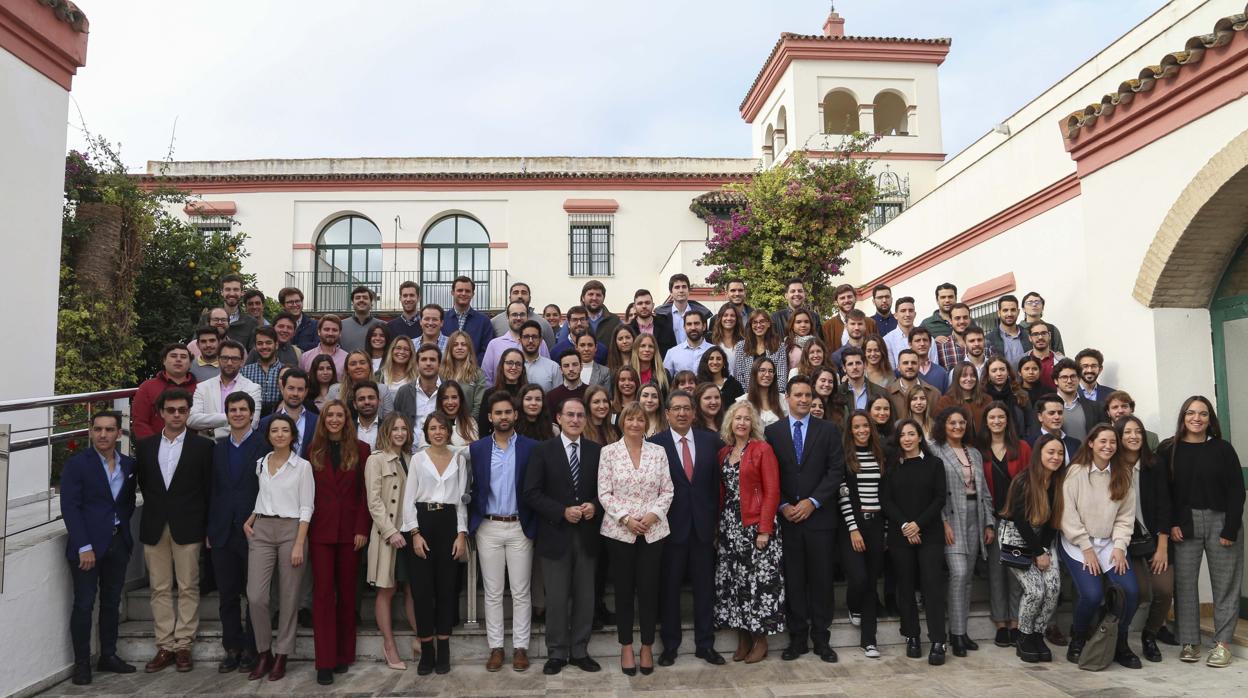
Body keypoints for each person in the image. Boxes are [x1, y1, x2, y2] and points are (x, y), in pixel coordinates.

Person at [765, 375, 845, 663]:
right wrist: (784, 504)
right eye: (797, 394)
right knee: (794, 580)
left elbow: (836, 471)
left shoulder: (829, 430)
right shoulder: (772, 433)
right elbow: (770, 475)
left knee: (822, 580)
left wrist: (812, 502)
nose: (802, 399)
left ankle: (822, 639)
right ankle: (797, 638)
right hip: (788, 519)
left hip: (819, 518)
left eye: (807, 395)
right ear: (787, 397)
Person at [134, 388, 214, 673]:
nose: (177, 414)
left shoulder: (204, 447)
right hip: (155, 525)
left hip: (189, 525)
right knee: (159, 587)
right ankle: (164, 645)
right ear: (161, 413)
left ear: (188, 412)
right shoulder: (144, 447)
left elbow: (209, 490)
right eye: (171, 410)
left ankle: (183, 645)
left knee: (189, 586)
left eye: (182, 410)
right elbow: (145, 485)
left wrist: (207, 527)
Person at [523, 397, 604, 675]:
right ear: (558, 417)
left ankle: (580, 651)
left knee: (585, 596)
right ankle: (556, 653)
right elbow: (531, 493)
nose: (575, 420)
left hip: (587, 535)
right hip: (555, 534)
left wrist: (594, 505)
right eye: (569, 415)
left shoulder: (597, 451)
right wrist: (561, 511)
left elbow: (607, 490)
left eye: (580, 415)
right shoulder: (543, 451)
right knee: (556, 598)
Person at [1163, 396, 1245, 668]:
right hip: (1184, 525)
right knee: (1184, 584)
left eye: (1203, 414)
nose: (1196, 418)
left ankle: (1222, 644)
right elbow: (1166, 493)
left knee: (1225, 585)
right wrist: (1173, 522)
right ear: (1183, 417)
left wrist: (1231, 528)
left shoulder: (1223, 448)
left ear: (1211, 419)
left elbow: (1236, 490)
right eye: (1190, 413)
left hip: (1221, 522)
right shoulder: (1170, 449)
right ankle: (1190, 641)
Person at [61, 411, 138, 686]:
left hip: (118, 543)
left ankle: (108, 655)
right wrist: (84, 545)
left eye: (109, 429)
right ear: (91, 432)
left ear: (119, 433)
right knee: (83, 604)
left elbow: (125, 504)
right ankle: (82, 664)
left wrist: (123, 535)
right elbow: (70, 507)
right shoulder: (77, 465)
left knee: (111, 602)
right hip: (87, 547)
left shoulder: (129, 465)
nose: (103, 434)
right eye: (98, 429)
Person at [600, 401, 675, 675]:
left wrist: (653, 515)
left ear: (646, 423)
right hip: (620, 532)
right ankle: (626, 646)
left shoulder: (659, 452)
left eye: (640, 420)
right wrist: (627, 519)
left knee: (648, 590)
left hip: (653, 532)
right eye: (630, 419)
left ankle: (646, 646)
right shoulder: (608, 453)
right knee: (623, 591)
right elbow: (604, 493)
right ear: (622, 422)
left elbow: (667, 490)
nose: (635, 424)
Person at [648, 390, 723, 666]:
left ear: (694, 413)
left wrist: (716, 522)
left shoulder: (711, 441)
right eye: (675, 409)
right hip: (669, 528)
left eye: (686, 409)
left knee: (705, 589)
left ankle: (706, 645)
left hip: (704, 528)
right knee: (669, 590)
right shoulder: (655, 445)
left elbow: (718, 485)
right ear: (666, 414)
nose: (681, 413)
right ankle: (670, 646)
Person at [1059, 424, 1141, 668]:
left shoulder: (1123, 474)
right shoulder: (1076, 472)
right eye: (1102, 441)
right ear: (1091, 443)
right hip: (1078, 543)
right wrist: (1085, 547)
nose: (1108, 446)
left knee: (1131, 593)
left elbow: (1126, 516)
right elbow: (1067, 514)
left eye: (1113, 442)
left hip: (1109, 543)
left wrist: (1119, 546)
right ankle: (1079, 637)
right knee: (1092, 594)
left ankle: (1119, 642)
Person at [469, 392, 540, 672]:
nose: (503, 417)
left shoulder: (530, 448)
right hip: (488, 526)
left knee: (521, 591)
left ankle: (520, 648)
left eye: (508, 412)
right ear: (489, 417)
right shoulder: (477, 448)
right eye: (498, 413)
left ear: (515, 415)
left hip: (520, 525)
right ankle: (496, 648)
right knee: (493, 592)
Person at [243, 414, 314, 682]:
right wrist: (251, 517)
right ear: (269, 435)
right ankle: (264, 653)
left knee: (288, 597)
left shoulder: (302, 467)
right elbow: (265, 495)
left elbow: (307, 506)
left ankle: (282, 654)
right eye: (275, 430)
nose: (280, 434)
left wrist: (298, 543)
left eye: (285, 430)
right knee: (256, 596)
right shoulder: (261, 463)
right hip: (262, 530)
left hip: (291, 530)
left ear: (293, 436)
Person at [306, 400, 371, 685]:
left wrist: (361, 528)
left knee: (347, 596)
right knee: (322, 596)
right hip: (320, 533)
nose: (334, 419)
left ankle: (344, 655)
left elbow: (365, 494)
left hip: (349, 533)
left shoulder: (361, 450)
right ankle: (325, 661)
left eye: (339, 415)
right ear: (323, 420)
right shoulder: (312, 451)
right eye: (329, 415)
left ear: (347, 419)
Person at [400, 411, 469, 675]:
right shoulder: (418, 459)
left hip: (449, 523)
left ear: (448, 431)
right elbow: (408, 500)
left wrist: (461, 534)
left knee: (446, 589)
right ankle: (426, 651)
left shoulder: (459, 460)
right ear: (426, 433)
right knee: (422, 590)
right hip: (423, 523)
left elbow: (462, 500)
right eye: (432, 428)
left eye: (442, 427)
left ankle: (444, 648)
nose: (438, 432)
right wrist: (415, 533)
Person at [714, 401, 783, 664]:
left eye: (746, 419)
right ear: (730, 423)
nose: (741, 422)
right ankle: (743, 637)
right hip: (730, 527)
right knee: (735, 585)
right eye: (737, 418)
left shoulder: (762, 450)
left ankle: (761, 639)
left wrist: (764, 530)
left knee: (759, 586)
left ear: (752, 423)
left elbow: (772, 491)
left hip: (756, 527)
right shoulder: (724, 453)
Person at [881, 419, 949, 664]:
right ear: (898, 439)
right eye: (903, 435)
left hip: (929, 533)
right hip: (901, 535)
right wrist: (905, 526)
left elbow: (939, 498)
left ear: (920, 437)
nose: (907, 438)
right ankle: (911, 636)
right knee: (906, 587)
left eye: (912, 434)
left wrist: (918, 525)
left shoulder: (934, 464)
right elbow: (887, 501)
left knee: (932, 586)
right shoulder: (892, 467)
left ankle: (939, 640)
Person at [207, 393, 265, 673]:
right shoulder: (216, 448)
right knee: (227, 594)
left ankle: (252, 648)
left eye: (243, 409)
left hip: (253, 531)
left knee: (253, 594)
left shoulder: (264, 446)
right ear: (227, 414)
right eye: (233, 409)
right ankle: (232, 647)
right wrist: (209, 528)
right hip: (221, 531)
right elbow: (212, 491)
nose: (238, 414)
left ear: (252, 414)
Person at [931, 405, 995, 658]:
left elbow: (985, 492)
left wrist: (989, 522)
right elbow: (932, 490)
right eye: (952, 423)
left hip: (974, 517)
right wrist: (942, 521)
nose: (958, 427)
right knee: (957, 574)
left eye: (962, 423)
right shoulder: (935, 450)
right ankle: (954, 634)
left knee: (967, 577)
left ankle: (961, 632)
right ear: (943, 425)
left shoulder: (975, 453)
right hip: (950, 517)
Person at [362, 412, 422, 670]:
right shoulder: (375, 460)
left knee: (411, 588)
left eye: (404, 429)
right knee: (386, 589)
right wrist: (390, 531)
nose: (400, 433)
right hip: (387, 535)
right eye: (395, 428)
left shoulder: (412, 458)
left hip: (410, 532)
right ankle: (389, 646)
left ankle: (422, 638)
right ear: (386, 431)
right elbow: (373, 501)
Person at [1001, 434, 1065, 663]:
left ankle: (1038, 634)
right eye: (1051, 452)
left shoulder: (1058, 483)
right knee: (1035, 590)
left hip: (1043, 541)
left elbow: (1053, 522)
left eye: (1059, 453)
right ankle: (1024, 636)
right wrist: (1038, 553)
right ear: (1039, 454)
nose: (1055, 457)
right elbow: (1020, 520)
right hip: (1018, 539)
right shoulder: (1023, 481)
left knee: (1053, 588)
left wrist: (1045, 550)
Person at [1116, 415, 1172, 664]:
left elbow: (1164, 506)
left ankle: (1150, 636)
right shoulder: (1112, 467)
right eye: (1127, 432)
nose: (1134, 436)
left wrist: (1162, 547)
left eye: (1138, 431)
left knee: (1164, 589)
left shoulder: (1154, 464)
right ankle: (1121, 638)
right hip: (1124, 543)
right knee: (1136, 591)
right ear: (1119, 436)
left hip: (1155, 539)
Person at [979, 401, 1031, 648]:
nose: (997, 421)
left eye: (1001, 417)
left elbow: (1030, 482)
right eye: (992, 417)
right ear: (986, 422)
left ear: (1008, 420)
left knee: (1015, 571)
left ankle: (1016, 622)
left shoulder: (1021, 447)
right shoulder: (979, 450)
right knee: (996, 573)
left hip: (1017, 519)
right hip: (992, 518)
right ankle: (1001, 623)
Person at [838, 411, 888, 659]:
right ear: (850, 430)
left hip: (877, 525)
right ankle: (852, 605)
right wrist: (853, 528)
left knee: (870, 583)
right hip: (853, 527)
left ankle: (869, 641)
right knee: (858, 578)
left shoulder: (880, 455)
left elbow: (886, 494)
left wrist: (886, 529)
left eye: (865, 426)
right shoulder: (845, 457)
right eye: (856, 427)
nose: (861, 430)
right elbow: (843, 496)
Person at [189, 340, 262, 439]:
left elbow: (252, 423)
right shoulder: (203, 387)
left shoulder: (253, 388)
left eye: (234, 359)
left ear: (241, 362)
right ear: (218, 360)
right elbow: (192, 420)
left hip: (238, 446)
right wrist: (232, 417)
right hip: (207, 449)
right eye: (225, 358)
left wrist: (215, 432)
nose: (229, 363)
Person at [133, 343, 198, 440]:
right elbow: (140, 422)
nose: (178, 359)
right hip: (155, 447)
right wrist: (155, 445)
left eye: (183, 357)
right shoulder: (147, 387)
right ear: (164, 361)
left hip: (194, 447)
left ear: (190, 363)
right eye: (173, 356)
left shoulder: (201, 387)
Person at [484, 301, 553, 385]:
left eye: (522, 314)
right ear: (507, 317)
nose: (518, 318)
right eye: (514, 314)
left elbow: (548, 371)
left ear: (527, 317)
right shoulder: (494, 345)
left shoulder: (540, 343)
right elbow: (486, 378)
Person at [394, 343, 443, 446]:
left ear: (439, 364)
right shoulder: (404, 392)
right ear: (417, 364)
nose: (428, 363)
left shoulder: (448, 391)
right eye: (424, 359)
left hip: (441, 453)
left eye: (432, 360)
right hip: (410, 454)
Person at [263, 368, 319, 457]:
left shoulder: (317, 421)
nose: (295, 393)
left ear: (306, 392)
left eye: (300, 389)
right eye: (291, 388)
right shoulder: (265, 423)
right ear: (282, 389)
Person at [327, 350, 396, 419]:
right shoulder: (334, 390)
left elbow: (389, 421)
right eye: (353, 364)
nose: (358, 366)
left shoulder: (382, 390)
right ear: (347, 369)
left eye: (362, 363)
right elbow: (327, 417)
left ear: (370, 366)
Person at [935, 362, 992, 442]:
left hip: (985, 447)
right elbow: (940, 429)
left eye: (972, 375)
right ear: (957, 378)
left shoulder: (987, 399)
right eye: (964, 376)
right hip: (956, 448)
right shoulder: (945, 401)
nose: (969, 379)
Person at [441, 275, 493, 363]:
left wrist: (472, 367)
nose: (464, 293)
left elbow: (487, 350)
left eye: (467, 291)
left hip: (473, 373)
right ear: (452, 292)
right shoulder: (442, 319)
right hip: (446, 373)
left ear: (473, 294)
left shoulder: (483, 321)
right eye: (460, 290)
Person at [735, 310, 789, 393]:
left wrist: (766, 395)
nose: (758, 325)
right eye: (755, 322)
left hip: (773, 396)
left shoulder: (779, 346)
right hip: (748, 397)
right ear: (751, 325)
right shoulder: (741, 346)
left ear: (768, 324)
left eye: (762, 321)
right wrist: (749, 395)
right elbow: (739, 377)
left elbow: (781, 378)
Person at [1052, 358, 1104, 442]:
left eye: (1073, 376)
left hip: (1087, 454)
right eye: (1064, 377)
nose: (1069, 381)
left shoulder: (1095, 407)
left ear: (1079, 379)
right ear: (1056, 381)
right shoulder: (1045, 405)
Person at [479, 348, 529, 435]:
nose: (514, 367)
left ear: (522, 368)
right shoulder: (489, 394)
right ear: (502, 365)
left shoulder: (528, 394)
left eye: (518, 364)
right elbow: (483, 427)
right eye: (509, 363)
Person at [657, 273, 713, 350]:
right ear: (671, 292)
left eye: (684, 287)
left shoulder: (701, 314)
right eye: (677, 287)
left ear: (688, 290)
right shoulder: (661, 315)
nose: (681, 290)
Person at [983, 355, 1033, 440]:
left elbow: (1030, 424)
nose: (999, 374)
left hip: (1018, 442)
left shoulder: (1021, 395)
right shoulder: (982, 397)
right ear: (988, 375)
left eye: (1002, 369)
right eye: (994, 371)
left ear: (1008, 372)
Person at [441, 329, 487, 419]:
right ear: (450, 348)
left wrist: (468, 424)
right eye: (455, 345)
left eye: (463, 344)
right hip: (443, 424)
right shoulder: (441, 373)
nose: (459, 347)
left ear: (469, 348)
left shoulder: (478, 374)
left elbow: (479, 405)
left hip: (469, 425)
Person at [884, 349, 940, 419]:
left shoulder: (934, 394)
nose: (910, 366)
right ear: (898, 367)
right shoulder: (887, 393)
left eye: (913, 363)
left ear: (919, 366)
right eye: (905, 363)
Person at [242, 327, 285, 416]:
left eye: (268, 343)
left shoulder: (285, 371)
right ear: (255, 347)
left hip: (279, 420)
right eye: (260, 343)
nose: (264, 347)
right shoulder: (244, 372)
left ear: (276, 345)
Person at [1029, 393, 1082, 464]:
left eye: (1060, 413)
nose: (1057, 417)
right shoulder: (1029, 444)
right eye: (1051, 413)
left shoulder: (1075, 444)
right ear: (1040, 417)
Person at [821, 284, 877, 351]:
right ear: (836, 302)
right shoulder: (828, 326)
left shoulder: (870, 323)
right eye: (842, 298)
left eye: (849, 297)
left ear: (855, 299)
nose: (846, 300)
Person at [883, 297, 933, 368]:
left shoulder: (928, 338)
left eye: (911, 310)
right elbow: (891, 371)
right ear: (896, 315)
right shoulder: (887, 341)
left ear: (915, 314)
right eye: (903, 311)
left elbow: (934, 366)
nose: (907, 314)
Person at [838, 347, 888, 417]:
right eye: (850, 364)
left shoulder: (880, 392)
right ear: (844, 368)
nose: (855, 367)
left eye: (858, 363)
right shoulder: (837, 393)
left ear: (864, 365)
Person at [336, 286, 384, 354]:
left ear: (371, 303)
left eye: (365, 298)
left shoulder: (383, 326)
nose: (361, 300)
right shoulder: (340, 326)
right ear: (352, 302)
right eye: (358, 298)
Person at [740, 357, 786, 427]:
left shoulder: (784, 400)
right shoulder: (742, 401)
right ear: (754, 373)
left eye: (770, 371)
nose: (767, 374)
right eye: (762, 370)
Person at [664, 311, 712, 376]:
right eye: (689, 324)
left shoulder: (714, 351)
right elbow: (665, 380)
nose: (693, 328)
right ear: (684, 328)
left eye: (696, 323)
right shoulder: (672, 353)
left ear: (704, 326)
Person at [935, 303, 981, 370]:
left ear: (970, 319)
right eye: (957, 318)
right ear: (950, 321)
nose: (962, 321)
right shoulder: (940, 347)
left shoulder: (985, 345)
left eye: (965, 317)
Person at [986, 294, 1029, 366]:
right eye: (1005, 310)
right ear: (999, 313)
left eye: (1013, 310)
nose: (1009, 314)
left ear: (1018, 312)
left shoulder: (1028, 336)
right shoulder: (989, 339)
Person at [518, 320, 560, 392]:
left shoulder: (553, 367)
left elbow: (557, 397)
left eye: (534, 337)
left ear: (540, 340)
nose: (530, 341)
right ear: (520, 340)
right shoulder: (513, 367)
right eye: (526, 337)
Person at [436, 380, 478, 451]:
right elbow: (424, 451)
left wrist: (445, 448)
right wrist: (463, 448)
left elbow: (474, 451)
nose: (450, 402)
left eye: (454, 397)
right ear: (440, 401)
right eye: (445, 398)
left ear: (460, 399)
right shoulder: (431, 422)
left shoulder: (471, 422)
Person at [547, 350, 589, 421]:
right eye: (566, 366)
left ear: (581, 367)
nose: (571, 369)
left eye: (575, 365)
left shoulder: (591, 393)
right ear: (561, 370)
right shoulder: (551, 396)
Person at [1023, 321, 1063, 391]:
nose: (1040, 337)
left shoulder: (1062, 361)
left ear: (1049, 335)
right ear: (1030, 338)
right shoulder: (1019, 361)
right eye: (1035, 334)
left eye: (1044, 333)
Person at [278, 286, 319, 351]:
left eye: (297, 301)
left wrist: (295, 347)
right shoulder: (277, 326)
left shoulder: (315, 325)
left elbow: (318, 346)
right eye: (290, 302)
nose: (294, 305)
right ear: (283, 305)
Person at [711, 302, 744, 367]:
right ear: (720, 318)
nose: (729, 318)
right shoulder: (711, 339)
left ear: (737, 319)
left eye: (732, 315)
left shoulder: (744, 341)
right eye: (725, 315)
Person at [353, 381, 384, 449]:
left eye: (371, 398)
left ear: (379, 401)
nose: (367, 402)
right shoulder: (347, 428)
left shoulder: (387, 427)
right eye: (361, 399)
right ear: (354, 404)